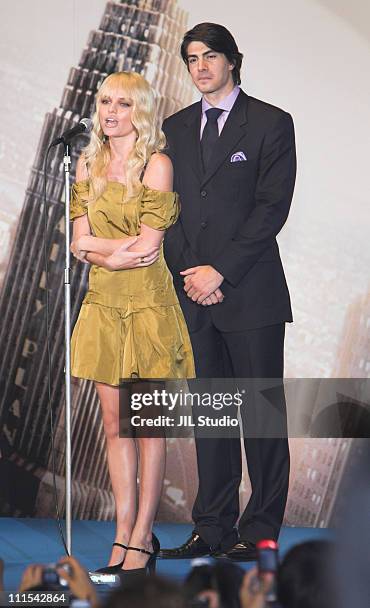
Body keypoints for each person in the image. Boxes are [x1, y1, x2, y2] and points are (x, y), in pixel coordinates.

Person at [160, 23, 296, 561]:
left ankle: (258, 532)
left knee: (261, 419)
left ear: (232, 61)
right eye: (191, 58)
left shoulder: (270, 123)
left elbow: (271, 209)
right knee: (212, 420)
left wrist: (221, 271)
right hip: (195, 293)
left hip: (251, 293)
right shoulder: (173, 127)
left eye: (210, 56)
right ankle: (211, 528)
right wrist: (193, 272)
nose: (200, 66)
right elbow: (168, 211)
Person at [69, 71, 195, 576]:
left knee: (147, 427)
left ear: (139, 110)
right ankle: (121, 534)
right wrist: (110, 255)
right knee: (115, 423)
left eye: (122, 103)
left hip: (148, 308)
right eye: (104, 102)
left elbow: (149, 247)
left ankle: (143, 538)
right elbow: (78, 241)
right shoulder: (85, 162)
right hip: (102, 304)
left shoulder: (157, 165)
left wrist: (103, 251)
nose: (111, 111)